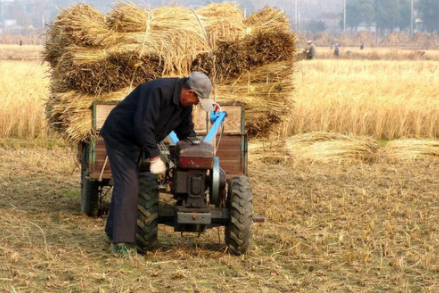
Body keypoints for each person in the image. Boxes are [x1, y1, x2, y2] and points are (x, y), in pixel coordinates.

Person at [100, 72, 213, 256]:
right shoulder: (157, 91)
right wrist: (154, 156)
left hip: (137, 141)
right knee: (129, 185)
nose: (196, 104)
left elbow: (185, 129)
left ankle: (111, 233)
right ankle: (122, 243)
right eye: (197, 100)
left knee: (126, 186)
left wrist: (194, 144)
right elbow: (143, 125)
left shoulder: (184, 105)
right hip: (120, 137)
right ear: (189, 92)